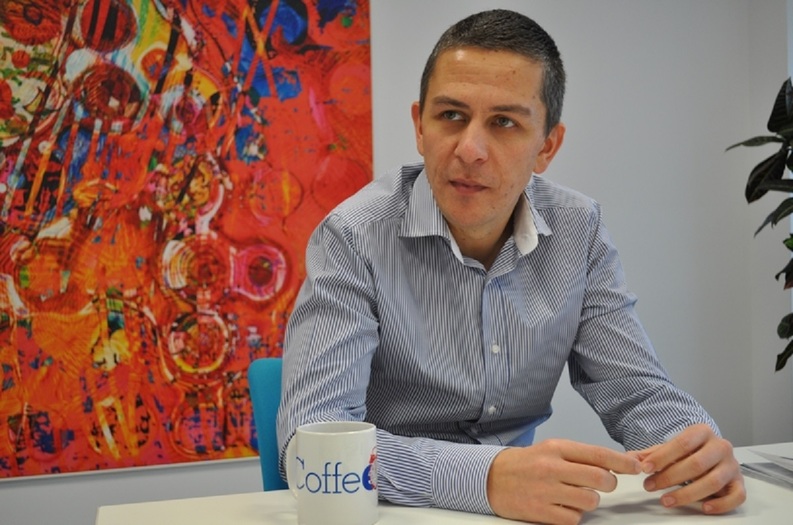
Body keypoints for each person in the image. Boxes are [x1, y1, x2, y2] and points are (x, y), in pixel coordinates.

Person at [275, 8, 745, 525]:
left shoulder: (579, 230)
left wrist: (694, 450)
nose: (470, 149)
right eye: (451, 115)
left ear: (547, 146)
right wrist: (485, 477)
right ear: (419, 126)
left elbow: (635, 391)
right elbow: (309, 444)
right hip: (393, 512)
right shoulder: (353, 236)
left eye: (504, 122)